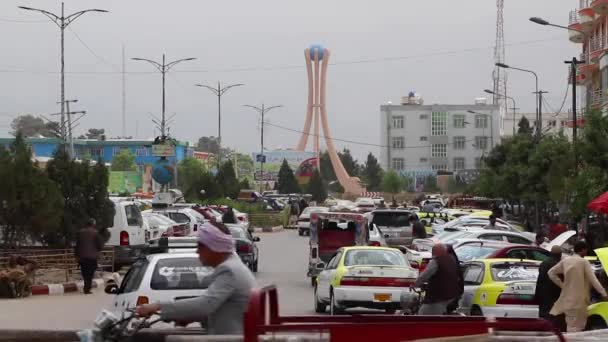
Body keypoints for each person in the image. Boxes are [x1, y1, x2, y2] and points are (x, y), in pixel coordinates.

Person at [136, 222, 256, 335]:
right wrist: (190, 317)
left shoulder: (229, 270)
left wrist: (158, 306)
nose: (197, 251)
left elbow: (205, 304)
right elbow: (222, 310)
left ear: (214, 247)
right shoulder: (234, 266)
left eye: (201, 246)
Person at [548, 240, 608, 332]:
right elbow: (594, 280)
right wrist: (603, 293)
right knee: (578, 328)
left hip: (567, 299)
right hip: (580, 300)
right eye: (586, 250)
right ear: (582, 250)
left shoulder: (565, 261)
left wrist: (563, 285)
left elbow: (551, 273)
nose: (586, 252)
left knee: (570, 326)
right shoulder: (583, 262)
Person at [414, 243, 460, 315]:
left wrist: (414, 284)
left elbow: (424, 275)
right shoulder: (452, 259)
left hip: (439, 296)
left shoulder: (436, 261)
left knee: (422, 313)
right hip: (452, 295)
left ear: (435, 252)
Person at [535, 246, 565, 331]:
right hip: (557, 295)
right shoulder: (560, 265)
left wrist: (537, 295)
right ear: (560, 255)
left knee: (545, 317)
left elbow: (540, 280)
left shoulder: (544, 263)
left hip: (544, 295)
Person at [75, 218, 104, 294]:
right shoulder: (95, 233)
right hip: (92, 257)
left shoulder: (80, 232)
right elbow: (99, 245)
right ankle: (87, 288)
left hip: (82, 257)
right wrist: (99, 251)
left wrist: (76, 256)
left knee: (84, 272)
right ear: (93, 224)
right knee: (90, 272)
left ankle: (86, 286)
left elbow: (77, 245)